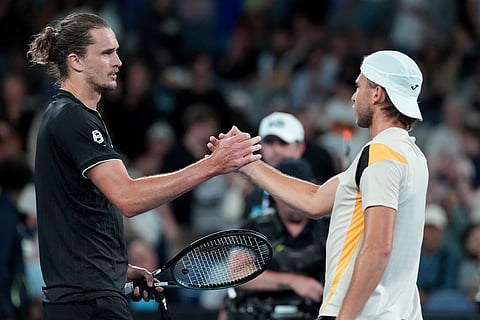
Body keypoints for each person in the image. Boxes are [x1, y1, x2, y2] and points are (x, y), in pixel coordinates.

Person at [27, 12, 261, 320]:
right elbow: (128, 198)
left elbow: (77, 216)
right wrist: (213, 165)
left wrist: (118, 270)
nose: (119, 61)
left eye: (117, 51)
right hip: (88, 305)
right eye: (107, 52)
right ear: (76, 61)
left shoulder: (70, 116)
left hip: (86, 297)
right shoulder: (73, 118)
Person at [210, 50, 429, 319]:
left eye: (359, 86)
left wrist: (343, 317)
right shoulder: (409, 154)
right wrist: (246, 163)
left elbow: (378, 248)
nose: (352, 96)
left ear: (377, 94)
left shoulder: (381, 155)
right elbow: (314, 200)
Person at [221, 158, 330, 320]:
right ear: (275, 193)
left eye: (299, 192)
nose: (293, 201)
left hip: (315, 309)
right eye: (287, 193)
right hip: (263, 310)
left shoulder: (328, 226)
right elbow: (237, 275)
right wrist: (294, 282)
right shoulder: (257, 226)